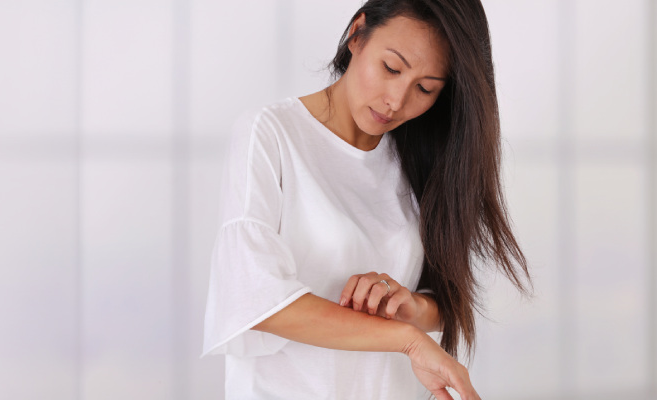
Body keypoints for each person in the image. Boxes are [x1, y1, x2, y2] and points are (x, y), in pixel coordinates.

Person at [201, 0, 531, 398]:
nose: (396, 100)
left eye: (425, 89)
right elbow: (255, 300)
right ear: (357, 34)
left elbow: (446, 301)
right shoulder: (271, 135)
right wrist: (406, 340)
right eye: (391, 68)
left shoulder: (421, 157)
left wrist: (408, 305)